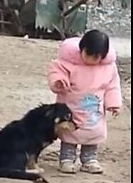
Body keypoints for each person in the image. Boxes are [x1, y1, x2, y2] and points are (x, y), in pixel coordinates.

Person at [47, 30, 122, 174]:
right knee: (70, 132)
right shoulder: (68, 62)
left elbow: (113, 85)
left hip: (94, 108)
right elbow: (56, 72)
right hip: (71, 105)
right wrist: (59, 82)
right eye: (89, 55)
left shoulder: (108, 67)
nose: (93, 60)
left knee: (92, 132)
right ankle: (67, 159)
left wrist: (113, 103)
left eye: (97, 57)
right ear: (81, 49)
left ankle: (89, 159)